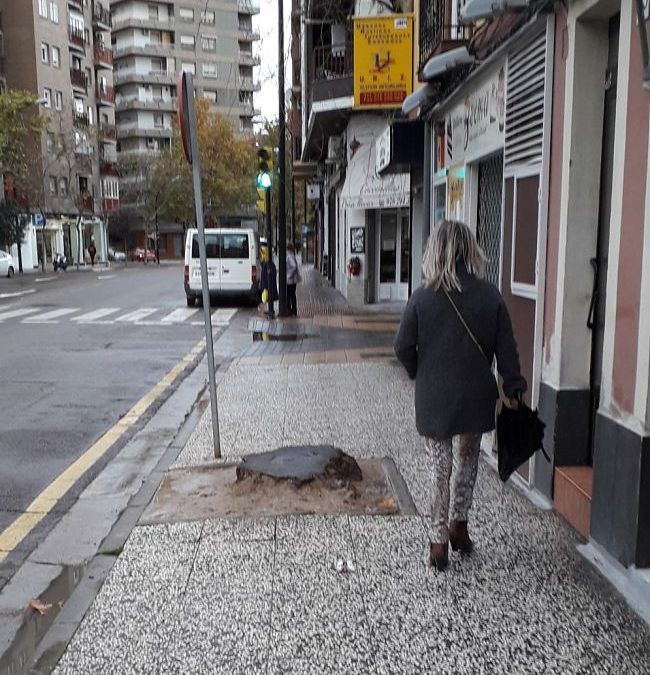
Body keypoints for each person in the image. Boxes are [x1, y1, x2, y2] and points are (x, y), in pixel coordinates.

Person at [394, 220, 526, 572]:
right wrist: (513, 388)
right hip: (475, 396)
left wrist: (418, 371)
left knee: (440, 468)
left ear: (435, 251)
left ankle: (438, 543)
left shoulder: (422, 298)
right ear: (470, 251)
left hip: (435, 398)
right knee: (468, 461)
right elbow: (507, 351)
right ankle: (460, 526)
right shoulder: (490, 296)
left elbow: (403, 346)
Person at [259, 245, 278, 317]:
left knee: (269, 295)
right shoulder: (266, 262)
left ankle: (271, 310)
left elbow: (270, 272)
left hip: (268, 283)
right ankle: (270, 309)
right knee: (267, 296)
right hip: (266, 282)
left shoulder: (269, 264)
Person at [286, 242, 301, 317]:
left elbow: (294, 266)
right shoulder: (292, 255)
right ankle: (293, 310)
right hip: (293, 280)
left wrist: (289, 276)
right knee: (291, 295)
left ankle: (291, 310)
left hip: (290, 280)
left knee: (289, 295)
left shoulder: (289, 256)